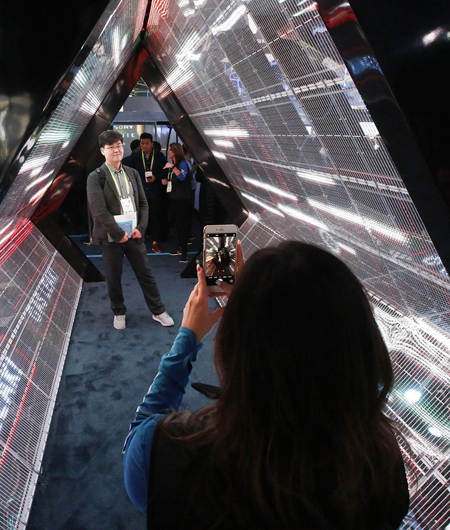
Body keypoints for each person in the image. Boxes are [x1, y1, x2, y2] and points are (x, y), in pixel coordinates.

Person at [123, 241, 409, 529]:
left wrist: (188, 338)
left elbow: (140, 435)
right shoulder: (382, 467)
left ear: (236, 346)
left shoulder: (171, 458)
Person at [86, 130, 174, 331]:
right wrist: (119, 233)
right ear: (103, 150)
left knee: (146, 274)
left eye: (118, 145)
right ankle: (118, 312)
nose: (116, 149)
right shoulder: (95, 177)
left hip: (134, 234)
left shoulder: (132, 173)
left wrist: (141, 228)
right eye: (111, 147)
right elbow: (99, 211)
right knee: (113, 276)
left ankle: (158, 310)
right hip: (112, 237)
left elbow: (143, 204)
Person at [128, 133, 168, 253]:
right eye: (142, 143)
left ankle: (155, 242)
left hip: (155, 191)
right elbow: (125, 167)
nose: (144, 146)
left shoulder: (159, 156)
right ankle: (140, 241)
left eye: (147, 143)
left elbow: (166, 171)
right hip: (141, 191)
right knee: (141, 218)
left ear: (151, 143)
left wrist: (156, 177)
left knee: (155, 216)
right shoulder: (135, 157)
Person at [162, 143, 193, 263]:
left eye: (170, 150)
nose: (169, 152)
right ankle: (180, 247)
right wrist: (167, 181)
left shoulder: (182, 163)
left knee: (183, 225)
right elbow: (175, 179)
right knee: (177, 224)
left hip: (184, 200)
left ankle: (184, 252)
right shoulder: (174, 165)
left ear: (175, 151)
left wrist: (173, 167)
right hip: (175, 198)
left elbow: (182, 177)